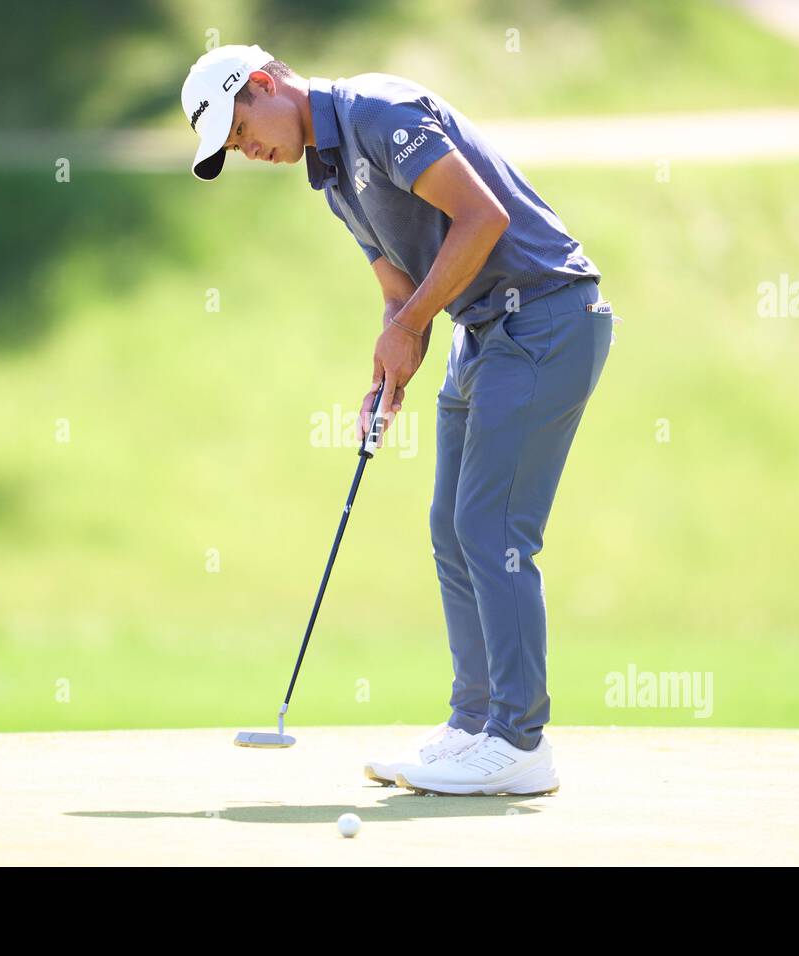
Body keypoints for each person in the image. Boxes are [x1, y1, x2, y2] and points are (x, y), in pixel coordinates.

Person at [182, 44, 613, 796]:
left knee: (492, 530)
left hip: (547, 318)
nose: (247, 150)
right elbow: (398, 285)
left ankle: (520, 741)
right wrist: (390, 355)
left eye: (241, 128)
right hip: (483, 333)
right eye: (232, 146)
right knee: (452, 527)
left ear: (263, 84)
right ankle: (474, 723)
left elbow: (483, 218)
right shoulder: (329, 176)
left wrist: (412, 327)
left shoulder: (377, 112)